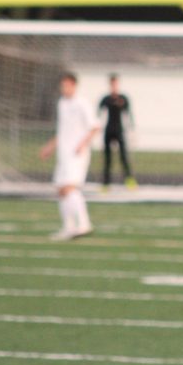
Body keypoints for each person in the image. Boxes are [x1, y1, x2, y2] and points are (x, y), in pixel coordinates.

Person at [39, 72, 101, 241]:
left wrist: (82, 144)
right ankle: (69, 227)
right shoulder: (62, 104)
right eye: (62, 85)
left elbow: (95, 127)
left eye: (66, 85)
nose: (63, 88)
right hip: (64, 153)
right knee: (61, 189)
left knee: (70, 187)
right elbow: (62, 131)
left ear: (74, 85)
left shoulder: (82, 103)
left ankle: (84, 223)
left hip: (77, 153)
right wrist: (49, 147)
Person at [98, 73, 137, 190]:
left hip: (119, 130)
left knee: (123, 156)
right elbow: (98, 114)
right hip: (109, 130)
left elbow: (129, 114)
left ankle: (129, 180)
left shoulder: (123, 99)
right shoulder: (106, 99)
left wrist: (132, 129)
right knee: (107, 158)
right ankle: (106, 183)